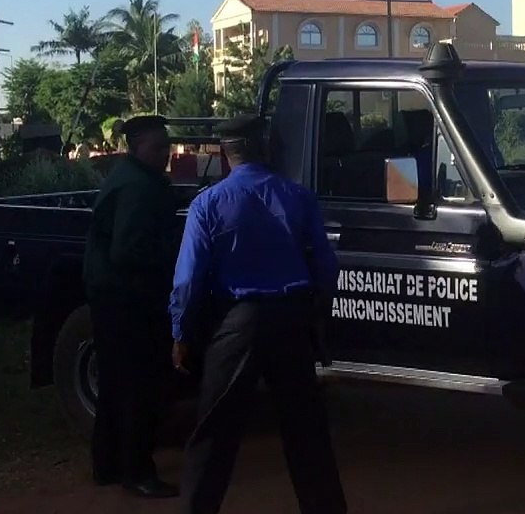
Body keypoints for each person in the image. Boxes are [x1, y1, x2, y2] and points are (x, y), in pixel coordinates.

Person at [169, 114, 345, 514]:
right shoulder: (298, 196)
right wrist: (317, 313)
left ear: (223, 153)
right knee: (306, 430)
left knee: (214, 431)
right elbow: (326, 267)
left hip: (238, 324)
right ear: (264, 149)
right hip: (291, 321)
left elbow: (188, 281)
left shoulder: (207, 204)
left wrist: (181, 333)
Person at [82, 114, 180, 498]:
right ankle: (138, 470)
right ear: (136, 147)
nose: (166, 154)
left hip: (111, 296)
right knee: (140, 388)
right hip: (128, 300)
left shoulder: (131, 177)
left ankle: (107, 464)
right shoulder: (139, 188)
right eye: (158, 148)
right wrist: (172, 254)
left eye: (167, 146)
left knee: (115, 384)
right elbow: (128, 251)